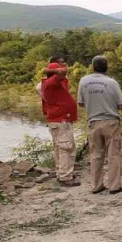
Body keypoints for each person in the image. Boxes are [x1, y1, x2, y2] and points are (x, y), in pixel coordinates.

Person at [77, 56, 122, 195]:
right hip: (111, 122)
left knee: (95, 155)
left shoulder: (83, 81)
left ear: (92, 67)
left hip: (93, 121)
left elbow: (80, 103)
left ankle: (96, 185)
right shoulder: (112, 83)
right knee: (114, 155)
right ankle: (115, 186)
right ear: (107, 67)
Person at [41, 57, 80, 186]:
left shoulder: (51, 83)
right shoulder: (52, 81)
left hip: (59, 120)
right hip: (60, 120)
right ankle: (65, 176)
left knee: (60, 147)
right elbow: (63, 72)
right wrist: (49, 69)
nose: (63, 66)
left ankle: (61, 172)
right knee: (66, 147)